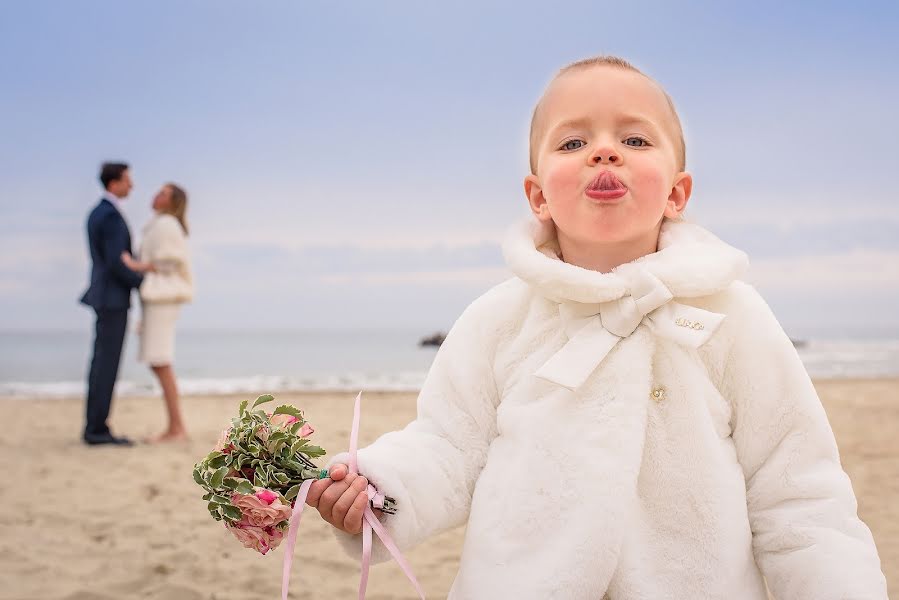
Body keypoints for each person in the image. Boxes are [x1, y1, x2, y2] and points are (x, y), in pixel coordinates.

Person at [304, 56, 888, 598]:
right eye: (574, 141)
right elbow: (448, 448)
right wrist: (381, 488)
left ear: (677, 193)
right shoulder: (499, 319)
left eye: (634, 139)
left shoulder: (732, 316)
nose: (604, 153)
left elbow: (799, 491)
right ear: (538, 197)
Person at [80, 162, 150, 446]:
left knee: (102, 363)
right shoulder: (109, 215)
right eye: (127, 180)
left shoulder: (102, 212)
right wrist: (143, 281)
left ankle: (95, 426)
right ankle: (97, 430)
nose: (131, 185)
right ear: (114, 183)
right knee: (106, 365)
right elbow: (115, 262)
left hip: (107, 296)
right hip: (112, 298)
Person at [122, 183, 194, 443]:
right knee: (158, 361)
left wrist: (136, 265)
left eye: (163, 193)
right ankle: (175, 426)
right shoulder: (160, 224)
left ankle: (177, 428)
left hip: (163, 298)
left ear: (172, 201)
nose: (155, 195)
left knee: (161, 360)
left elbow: (171, 259)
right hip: (157, 299)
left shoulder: (167, 224)